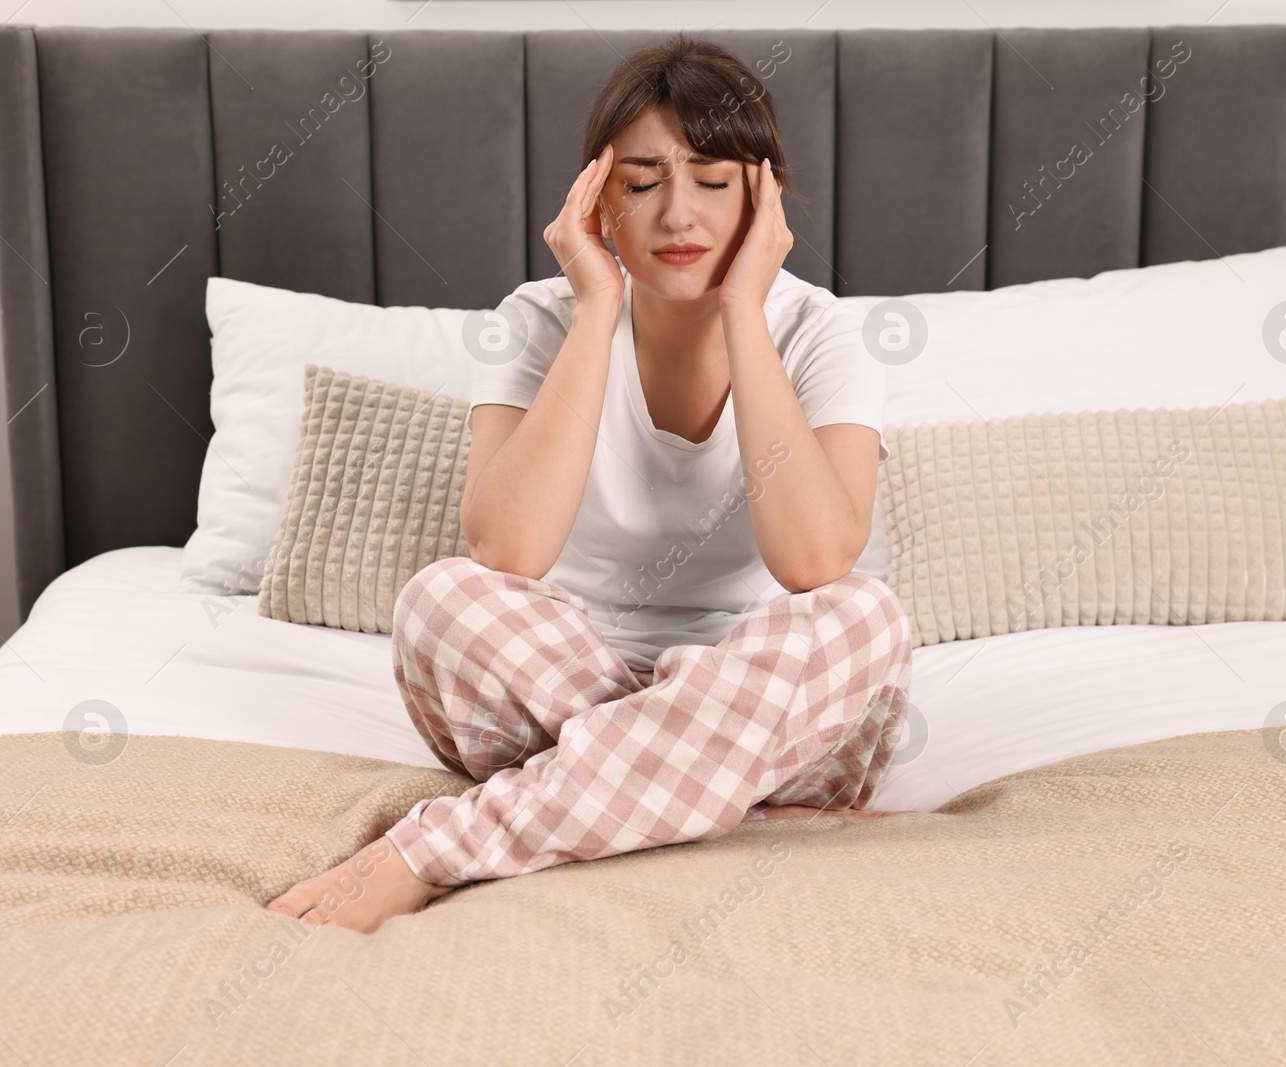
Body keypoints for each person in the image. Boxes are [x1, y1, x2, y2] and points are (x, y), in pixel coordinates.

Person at [268, 33, 913, 933]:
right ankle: (718, 806)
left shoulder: (821, 333)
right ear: (595, 196)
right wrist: (596, 308)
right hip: (580, 678)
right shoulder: (536, 322)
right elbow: (507, 550)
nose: (678, 215)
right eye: (642, 181)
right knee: (443, 600)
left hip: (767, 689)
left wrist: (742, 311)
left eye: (714, 182)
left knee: (863, 615)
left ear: (763, 195)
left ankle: (436, 848)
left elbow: (813, 559)